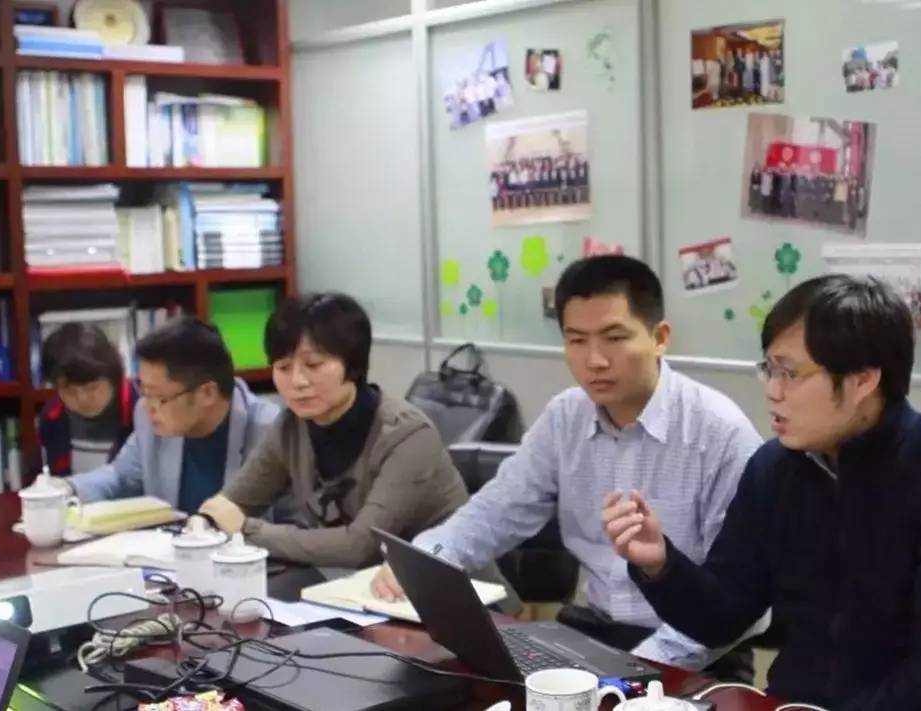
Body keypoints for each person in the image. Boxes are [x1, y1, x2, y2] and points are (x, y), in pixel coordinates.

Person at [604, 275, 921, 710]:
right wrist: (660, 565)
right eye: (769, 369)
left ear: (862, 381)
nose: (772, 391)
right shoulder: (775, 469)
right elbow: (724, 618)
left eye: (790, 373)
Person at [370, 255, 767, 678]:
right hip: (594, 631)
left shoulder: (719, 433)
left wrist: (640, 669)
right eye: (577, 341)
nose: (595, 360)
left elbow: (740, 603)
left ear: (660, 337)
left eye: (615, 338)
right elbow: (498, 510)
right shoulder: (566, 416)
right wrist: (424, 560)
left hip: (697, 647)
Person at [199, 293, 471, 569]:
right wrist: (204, 522)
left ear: (353, 365)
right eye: (283, 367)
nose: (297, 381)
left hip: (454, 585)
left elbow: (361, 546)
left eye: (313, 365)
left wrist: (247, 530)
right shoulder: (291, 426)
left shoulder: (407, 435)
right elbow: (232, 503)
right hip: (354, 585)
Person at [63, 317, 279, 514]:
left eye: (159, 397)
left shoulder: (272, 432)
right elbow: (120, 478)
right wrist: (67, 488)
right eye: (143, 391)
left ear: (207, 393)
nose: (147, 406)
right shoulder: (149, 419)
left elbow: (290, 526)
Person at [38, 323, 138, 476]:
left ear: (113, 377)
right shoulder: (52, 417)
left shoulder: (142, 408)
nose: (82, 399)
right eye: (69, 391)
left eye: (92, 388)